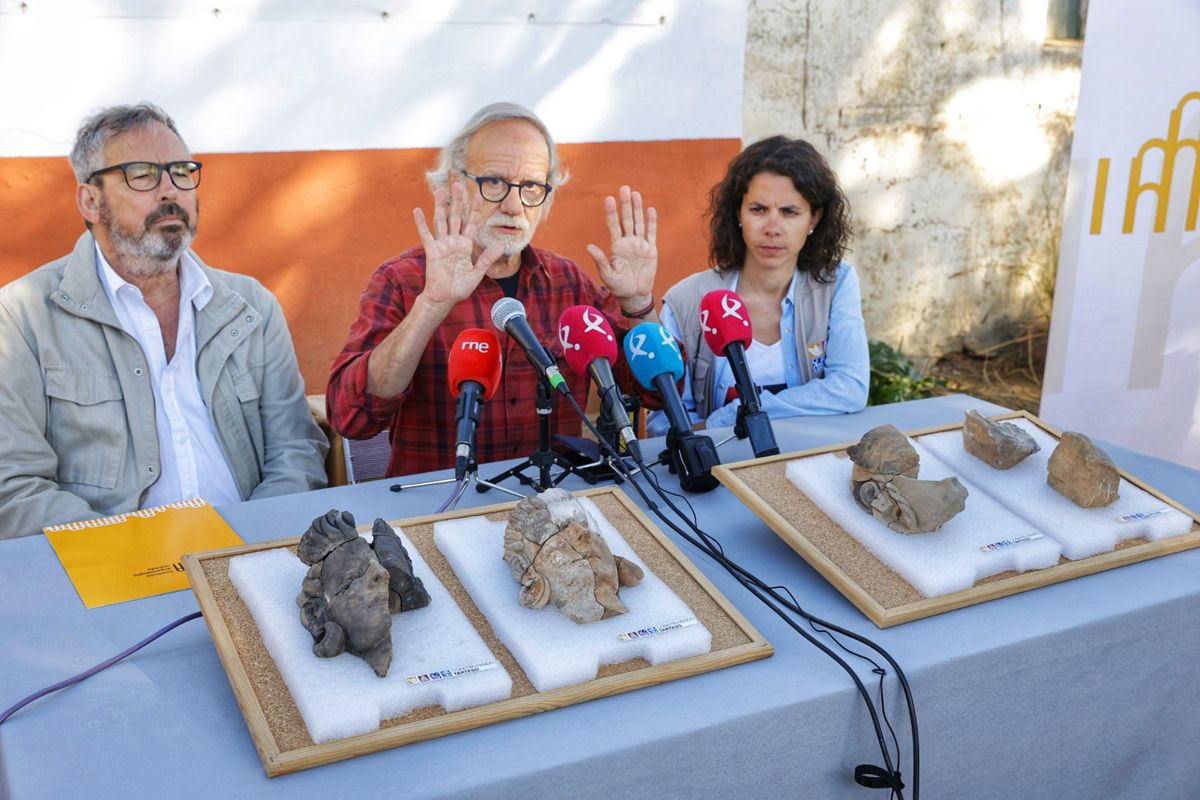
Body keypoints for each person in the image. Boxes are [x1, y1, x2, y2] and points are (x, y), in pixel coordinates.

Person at [0, 103, 328, 539]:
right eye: (141, 175)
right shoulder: (24, 315)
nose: (169, 191)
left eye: (180, 172)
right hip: (108, 571)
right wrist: (132, 555)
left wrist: (251, 544)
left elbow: (297, 450)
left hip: (250, 554)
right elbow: (14, 485)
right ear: (90, 201)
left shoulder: (250, 306)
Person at [326, 101, 658, 477]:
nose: (515, 205)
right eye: (495, 182)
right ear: (455, 186)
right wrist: (431, 305)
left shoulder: (568, 283)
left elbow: (655, 394)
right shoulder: (403, 281)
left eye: (531, 186)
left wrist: (638, 305)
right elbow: (350, 419)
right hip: (439, 509)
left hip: (552, 508)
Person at [650, 135, 869, 435]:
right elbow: (662, 423)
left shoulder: (836, 283)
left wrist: (729, 420)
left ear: (814, 218)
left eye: (790, 212)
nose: (772, 228)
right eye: (758, 209)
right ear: (738, 213)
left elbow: (850, 388)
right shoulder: (686, 300)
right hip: (717, 468)